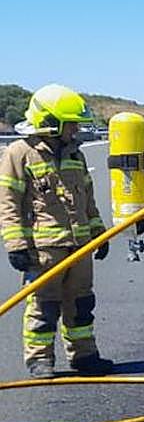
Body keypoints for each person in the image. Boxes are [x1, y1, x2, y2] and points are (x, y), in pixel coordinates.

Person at [0, 84, 114, 378]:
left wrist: (98, 232)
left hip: (80, 246)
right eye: (71, 123)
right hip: (44, 248)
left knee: (82, 303)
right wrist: (16, 245)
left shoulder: (76, 154)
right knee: (43, 305)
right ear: (50, 124)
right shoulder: (19, 153)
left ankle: (84, 356)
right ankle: (40, 360)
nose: (76, 129)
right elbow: (8, 202)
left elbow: (87, 198)